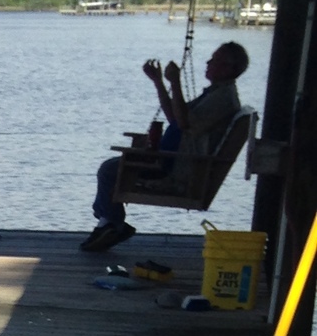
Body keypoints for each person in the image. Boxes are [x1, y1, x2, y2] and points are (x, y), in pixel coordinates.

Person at [84, 40, 249, 251]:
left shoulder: (224, 98)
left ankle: (111, 224)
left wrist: (176, 83)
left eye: (214, 60)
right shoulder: (216, 93)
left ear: (229, 68)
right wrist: (159, 81)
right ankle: (109, 224)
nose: (208, 62)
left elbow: (184, 122)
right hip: (168, 158)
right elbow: (174, 115)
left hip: (174, 168)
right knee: (112, 167)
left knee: (109, 170)